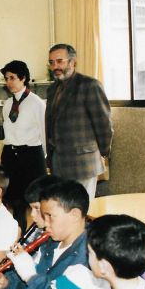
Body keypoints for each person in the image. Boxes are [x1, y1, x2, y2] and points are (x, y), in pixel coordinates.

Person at [45, 43, 113, 199]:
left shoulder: (89, 85)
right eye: (52, 62)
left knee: (82, 208)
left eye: (60, 61)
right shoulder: (52, 89)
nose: (55, 66)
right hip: (58, 162)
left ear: (72, 62)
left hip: (83, 161)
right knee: (63, 207)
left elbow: (103, 123)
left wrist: (103, 152)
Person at [0, 60, 47, 232]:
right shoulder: (7, 105)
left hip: (31, 156)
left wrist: (45, 160)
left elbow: (45, 132)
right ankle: (17, 238)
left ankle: (39, 238)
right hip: (11, 156)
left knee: (37, 201)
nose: (8, 82)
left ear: (23, 78)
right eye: (6, 78)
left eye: (12, 78)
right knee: (15, 201)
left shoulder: (37, 103)